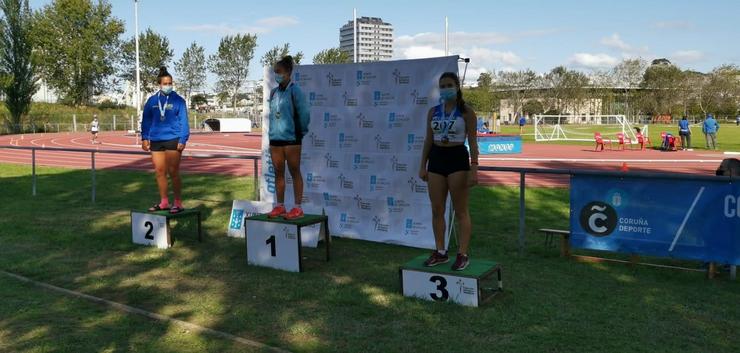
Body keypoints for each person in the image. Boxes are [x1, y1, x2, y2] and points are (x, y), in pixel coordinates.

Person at [419, 72, 479, 271]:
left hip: (457, 158)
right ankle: (441, 252)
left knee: (461, 211)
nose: (445, 89)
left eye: (449, 85)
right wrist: (422, 165)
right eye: (442, 86)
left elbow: (472, 141)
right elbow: (428, 140)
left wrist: (474, 168)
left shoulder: (467, 112)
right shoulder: (433, 112)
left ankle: (462, 254)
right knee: (437, 209)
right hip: (437, 158)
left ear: (457, 86)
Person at [266, 56, 310, 220]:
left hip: (292, 139)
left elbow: (304, 114)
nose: (276, 75)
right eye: (275, 72)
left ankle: (298, 208)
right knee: (278, 173)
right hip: (275, 140)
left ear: (289, 73)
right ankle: (280, 206)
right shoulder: (274, 92)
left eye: (279, 72)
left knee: (294, 171)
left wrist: (300, 132)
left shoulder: (295, 91)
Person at [141, 67, 190, 214]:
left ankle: (178, 202)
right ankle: (164, 202)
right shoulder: (152, 101)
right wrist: (144, 137)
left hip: (173, 139)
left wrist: (183, 138)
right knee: (160, 171)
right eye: (165, 83)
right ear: (159, 85)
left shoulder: (178, 101)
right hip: (156, 139)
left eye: (170, 83)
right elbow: (146, 120)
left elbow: (184, 121)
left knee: (173, 171)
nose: (168, 85)